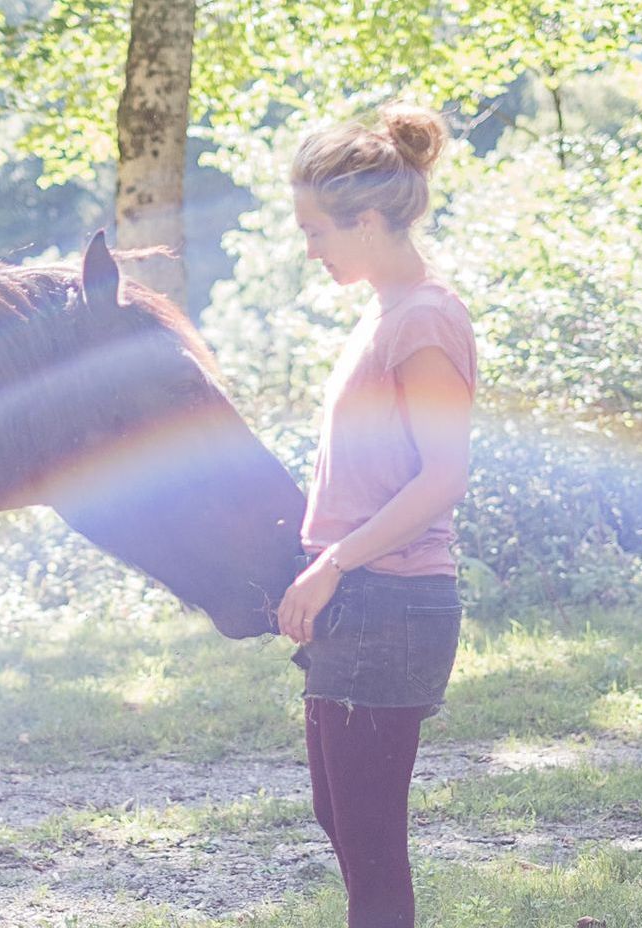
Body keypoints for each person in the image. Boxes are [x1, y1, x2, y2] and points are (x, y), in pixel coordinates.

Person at [276, 103, 477, 928]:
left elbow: (443, 476)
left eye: (316, 231)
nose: (309, 249)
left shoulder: (424, 318)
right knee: (339, 819)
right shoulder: (384, 314)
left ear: (365, 220)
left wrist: (331, 564)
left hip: (391, 601)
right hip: (359, 599)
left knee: (370, 848)